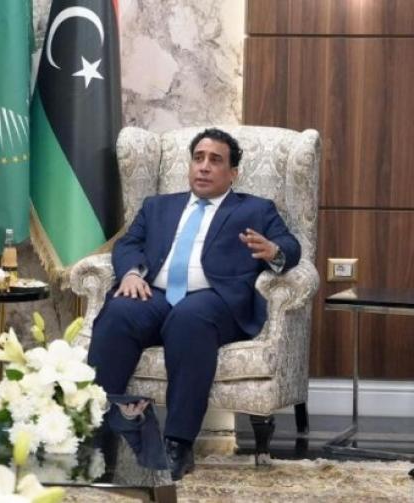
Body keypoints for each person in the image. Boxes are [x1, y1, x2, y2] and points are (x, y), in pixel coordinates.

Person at [88, 128, 300, 480]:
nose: (204, 166)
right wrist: (132, 274)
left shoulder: (255, 209)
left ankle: (177, 443)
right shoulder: (157, 206)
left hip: (216, 301)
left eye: (215, 160)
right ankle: (97, 431)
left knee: (189, 318)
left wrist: (274, 251)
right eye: (198, 158)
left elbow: (291, 247)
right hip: (155, 295)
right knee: (120, 311)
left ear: (233, 173)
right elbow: (128, 244)